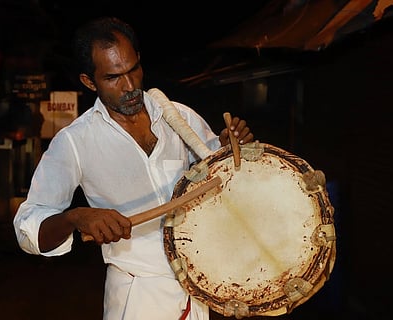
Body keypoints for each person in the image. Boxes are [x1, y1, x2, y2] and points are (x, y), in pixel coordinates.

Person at [13, 16, 254, 320]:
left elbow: (218, 175)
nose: (129, 87)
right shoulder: (75, 141)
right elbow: (28, 227)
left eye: (133, 70)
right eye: (113, 78)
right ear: (90, 81)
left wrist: (230, 146)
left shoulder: (179, 117)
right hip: (137, 296)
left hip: (197, 291)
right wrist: (76, 217)